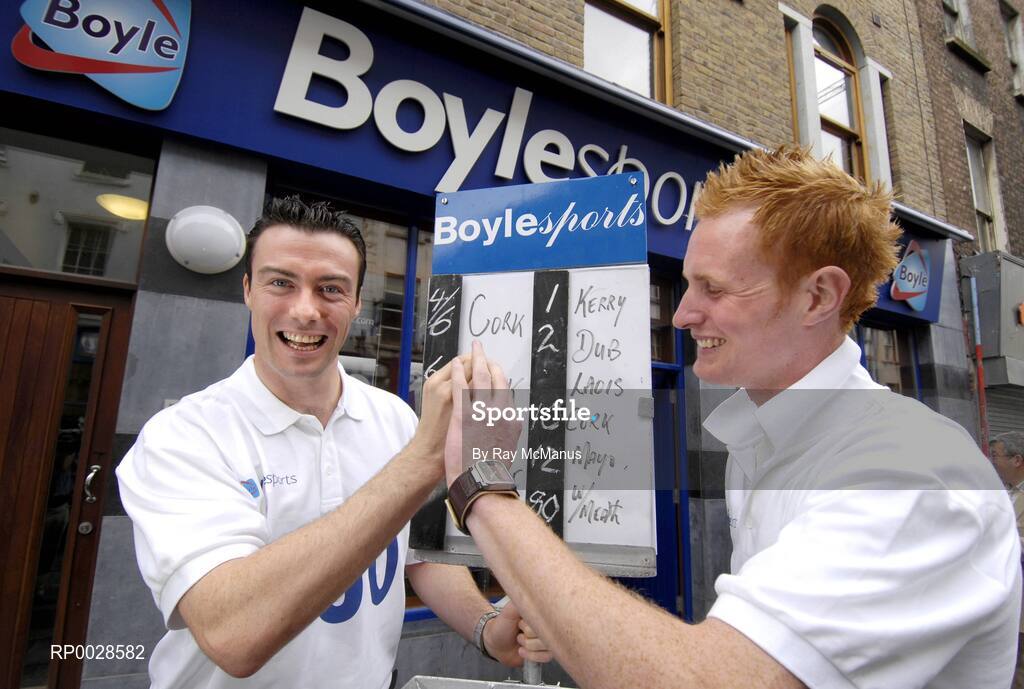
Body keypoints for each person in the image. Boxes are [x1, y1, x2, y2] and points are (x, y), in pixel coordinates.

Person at [442, 147, 1022, 688]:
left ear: (818, 297)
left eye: (713, 288)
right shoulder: (771, 442)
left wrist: (484, 484)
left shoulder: (908, 474)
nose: (684, 315)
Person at [117, 196, 549, 689]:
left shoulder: (393, 418)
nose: (305, 311)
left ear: (357, 303)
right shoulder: (183, 435)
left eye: (331, 289)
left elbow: (418, 554)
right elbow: (231, 633)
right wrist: (425, 460)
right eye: (280, 282)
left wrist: (487, 628)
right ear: (248, 291)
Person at [990, 430, 1024, 689]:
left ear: (1017, 460)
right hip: (1004, 596)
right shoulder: (1002, 492)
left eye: (996, 456)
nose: (993, 462)